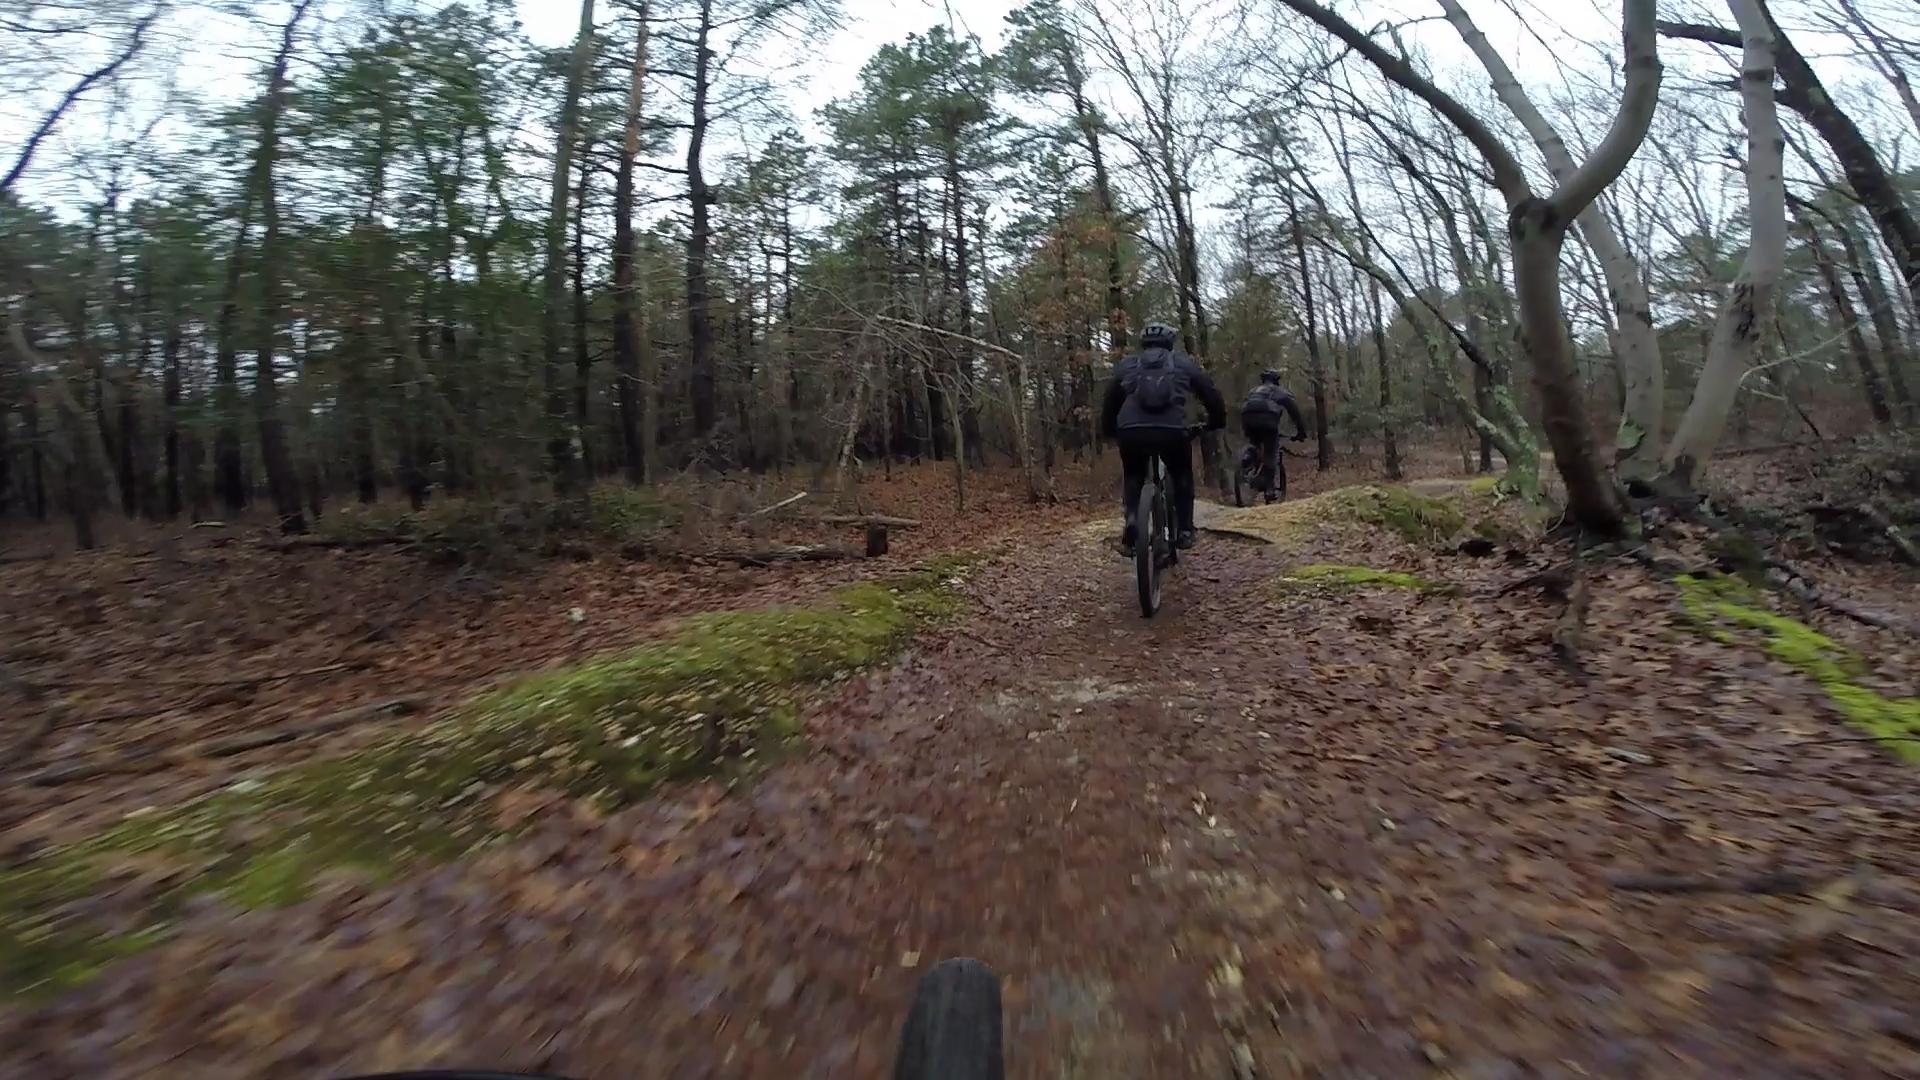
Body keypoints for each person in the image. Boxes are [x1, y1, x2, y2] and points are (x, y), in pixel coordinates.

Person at [1099, 321, 1226, 552]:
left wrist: (1109, 429)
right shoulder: (1182, 363)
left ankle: (1131, 521)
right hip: (1172, 431)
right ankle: (1186, 530)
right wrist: (1216, 421)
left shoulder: (1128, 365)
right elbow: (1211, 393)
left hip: (1132, 431)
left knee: (1134, 474)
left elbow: (1110, 400)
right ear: (1170, 343)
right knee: (1181, 474)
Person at [1239, 369, 1307, 501]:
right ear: (1276, 381)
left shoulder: (1254, 390)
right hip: (1267, 419)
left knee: (1255, 443)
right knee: (1271, 451)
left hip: (1247, 417)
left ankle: (1248, 456)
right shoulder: (1279, 391)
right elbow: (1294, 412)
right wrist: (1301, 432)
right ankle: (1270, 489)